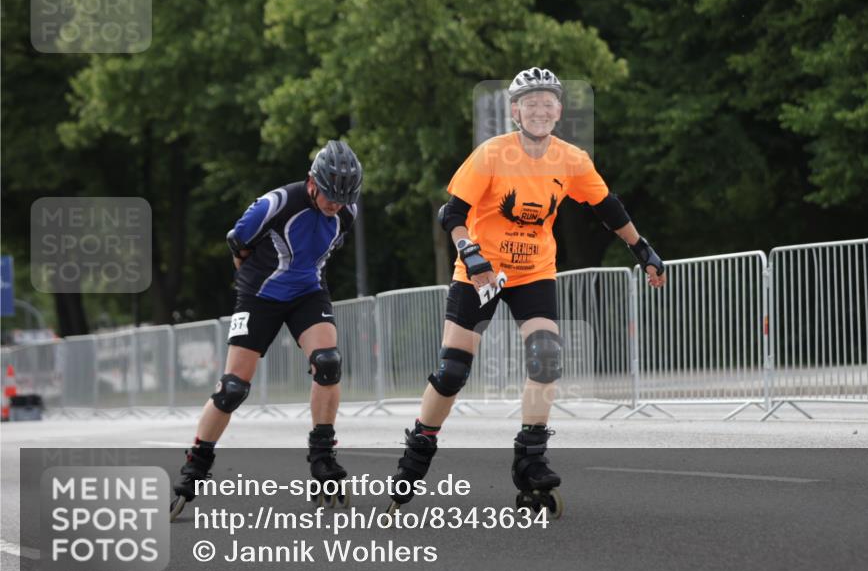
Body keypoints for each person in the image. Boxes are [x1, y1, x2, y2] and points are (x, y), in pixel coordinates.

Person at [388, 67, 667, 515]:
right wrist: (471, 252)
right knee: (453, 370)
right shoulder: (491, 154)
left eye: (548, 102)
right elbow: (452, 212)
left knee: (546, 357)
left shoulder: (572, 159)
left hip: (534, 271)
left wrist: (643, 249)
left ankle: (531, 460)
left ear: (559, 111)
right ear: (515, 111)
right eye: (529, 103)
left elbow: (608, 208)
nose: (539, 109)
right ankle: (418, 449)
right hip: (478, 273)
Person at [170, 140, 363, 519]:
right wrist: (253, 280)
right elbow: (237, 242)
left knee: (328, 363)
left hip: (308, 291)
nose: (335, 205)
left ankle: (322, 457)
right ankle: (196, 465)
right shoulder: (276, 203)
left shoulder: (347, 213)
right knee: (232, 389)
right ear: (312, 182)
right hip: (260, 294)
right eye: (329, 196)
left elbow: (321, 251)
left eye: (343, 198)